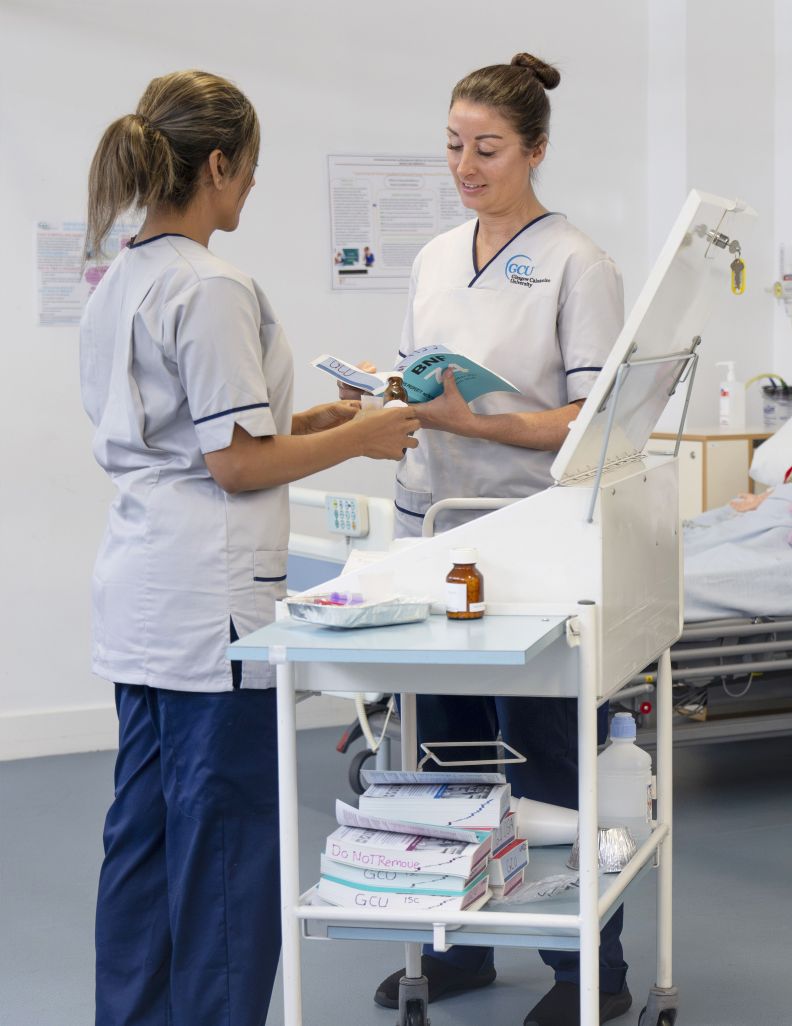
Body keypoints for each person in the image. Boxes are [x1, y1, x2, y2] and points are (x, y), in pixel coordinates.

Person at [79, 70, 419, 1026]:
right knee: (226, 853)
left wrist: (310, 418)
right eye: (251, 169)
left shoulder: (121, 278)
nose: (252, 188)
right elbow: (233, 466)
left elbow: (198, 436)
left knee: (140, 847)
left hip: (142, 598)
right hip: (211, 607)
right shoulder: (212, 284)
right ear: (219, 164)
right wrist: (360, 437)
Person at [344, 53, 629, 1026]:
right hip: (434, 534)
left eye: (488, 149)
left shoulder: (578, 263)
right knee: (446, 756)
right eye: (454, 147)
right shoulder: (431, 258)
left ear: (536, 150)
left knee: (547, 754)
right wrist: (383, 396)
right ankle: (455, 947)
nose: (466, 166)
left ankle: (585, 969)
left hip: (531, 540)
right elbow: (431, 386)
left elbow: (592, 421)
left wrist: (477, 424)